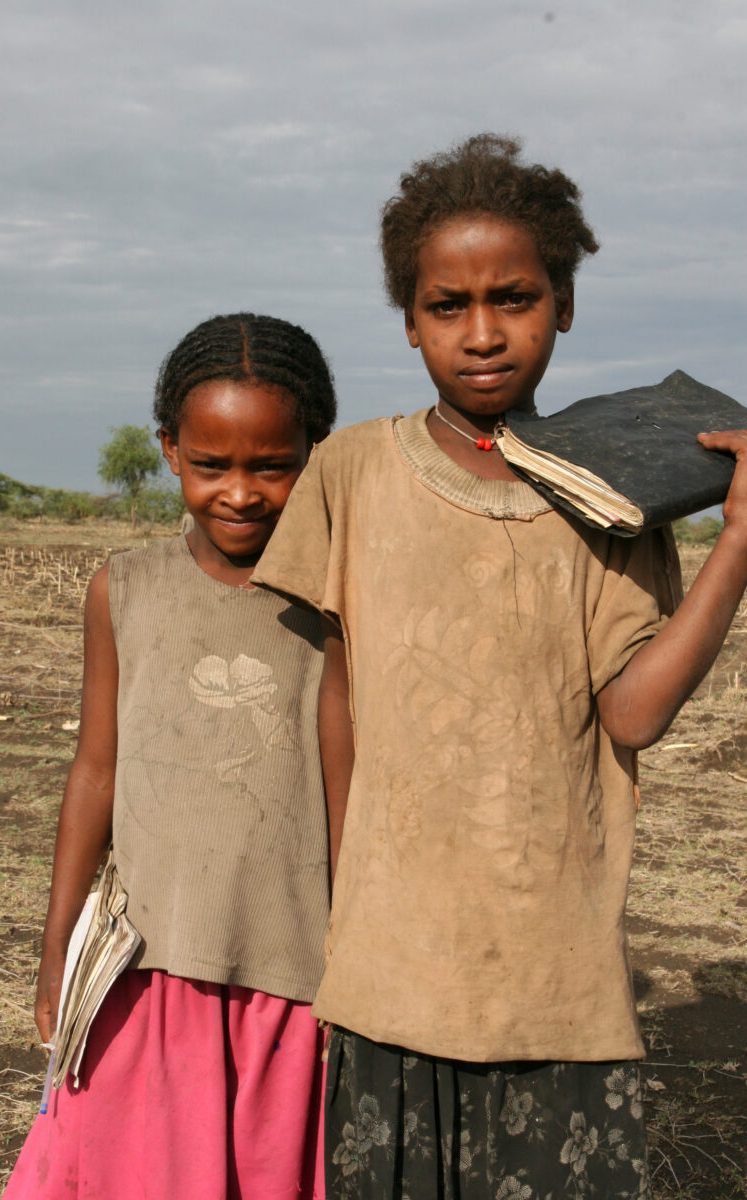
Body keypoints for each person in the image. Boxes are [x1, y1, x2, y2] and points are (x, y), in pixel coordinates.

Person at [251, 136, 747, 1200]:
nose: (481, 334)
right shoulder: (351, 474)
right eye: (447, 305)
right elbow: (340, 697)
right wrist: (344, 901)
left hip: (551, 966)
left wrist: (737, 543)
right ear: (409, 318)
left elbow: (630, 714)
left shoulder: (613, 494)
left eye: (514, 298)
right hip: (390, 954)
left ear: (562, 304)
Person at [4, 313, 338, 1200]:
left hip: (292, 968)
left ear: (317, 451)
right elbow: (96, 772)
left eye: (273, 465)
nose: (241, 492)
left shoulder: (339, 601)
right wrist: (56, 947)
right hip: (144, 964)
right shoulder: (127, 587)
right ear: (168, 452)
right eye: (211, 465)